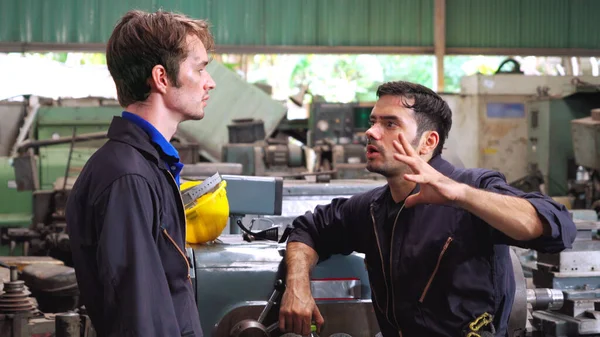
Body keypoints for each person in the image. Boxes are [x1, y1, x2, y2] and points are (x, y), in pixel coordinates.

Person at [278, 81, 576, 337]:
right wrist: (297, 285)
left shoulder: (472, 188)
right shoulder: (370, 209)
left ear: (427, 143)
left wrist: (462, 196)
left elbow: (557, 227)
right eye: (373, 122)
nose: (371, 132)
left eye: (390, 123)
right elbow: (308, 230)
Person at [65, 9, 216, 337]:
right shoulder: (128, 177)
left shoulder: (146, 166)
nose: (210, 82)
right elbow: (141, 315)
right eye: (200, 69)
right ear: (162, 78)